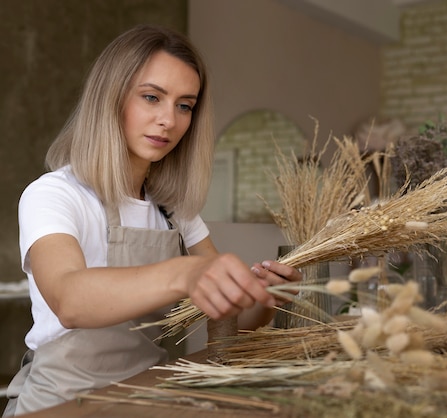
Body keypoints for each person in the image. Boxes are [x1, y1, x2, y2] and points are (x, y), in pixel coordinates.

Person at [2, 24, 301, 417]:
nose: (169, 120)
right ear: (110, 99)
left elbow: (229, 325)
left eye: (184, 105)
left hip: (147, 395)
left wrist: (263, 297)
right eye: (151, 97)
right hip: (62, 402)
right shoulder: (55, 194)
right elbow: (69, 299)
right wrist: (187, 273)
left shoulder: (174, 210)